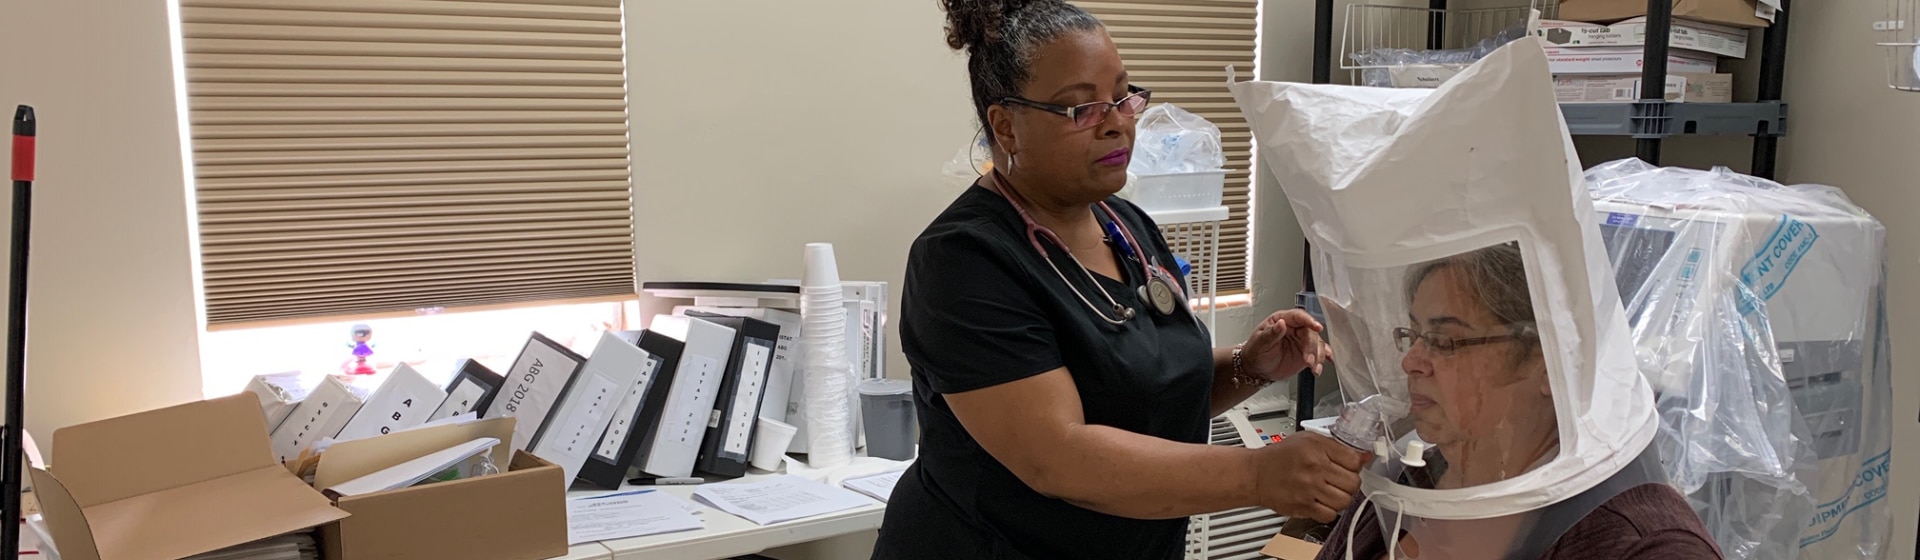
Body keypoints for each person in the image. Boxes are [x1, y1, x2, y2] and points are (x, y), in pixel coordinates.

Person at [872, 2, 1372, 559]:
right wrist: (1258, 475)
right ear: (1006, 126)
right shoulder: (964, 259)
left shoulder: (1127, 226)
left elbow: (1142, 397)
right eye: (1080, 107)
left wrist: (1247, 366)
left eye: (1123, 95)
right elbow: (1058, 457)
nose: (1116, 121)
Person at [1315, 243, 1722, 560]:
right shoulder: (1407, 483)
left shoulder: (1644, 543)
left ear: (1548, 365)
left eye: (1443, 341)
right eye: (1413, 335)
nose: (1411, 362)